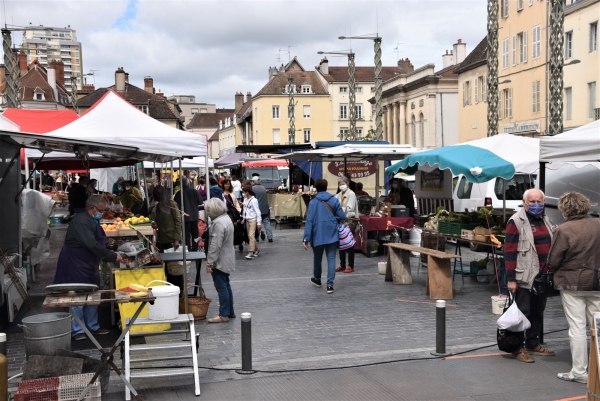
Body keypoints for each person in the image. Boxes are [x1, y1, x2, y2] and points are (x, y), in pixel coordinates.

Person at [53, 195, 123, 341]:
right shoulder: (81, 221)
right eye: (101, 211)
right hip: (75, 262)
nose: (102, 214)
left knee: (92, 293)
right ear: (92, 209)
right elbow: (91, 244)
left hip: (88, 262)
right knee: (77, 295)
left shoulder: (90, 219)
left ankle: (92, 326)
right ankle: (78, 329)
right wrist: (111, 255)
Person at [549, 192, 600, 383]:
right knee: (598, 326)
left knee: (577, 328)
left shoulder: (563, 229)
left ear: (565, 209)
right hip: (597, 281)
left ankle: (579, 372)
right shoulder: (598, 224)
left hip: (572, 282)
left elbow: (553, 260)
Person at [505, 188, 554, 363]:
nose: (536, 205)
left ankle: (533, 343)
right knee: (521, 312)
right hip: (524, 276)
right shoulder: (516, 221)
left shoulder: (545, 220)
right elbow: (509, 252)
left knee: (537, 311)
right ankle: (517, 348)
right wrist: (511, 279)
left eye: (539, 201)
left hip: (542, 277)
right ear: (525, 203)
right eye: (532, 202)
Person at [303, 178, 346, 294]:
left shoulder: (313, 202)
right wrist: (332, 220)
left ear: (316, 188)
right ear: (326, 187)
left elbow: (309, 221)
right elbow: (342, 216)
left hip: (317, 233)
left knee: (317, 258)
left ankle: (317, 279)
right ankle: (330, 285)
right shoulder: (334, 200)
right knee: (331, 258)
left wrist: (306, 238)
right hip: (331, 232)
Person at [204, 198, 236, 323]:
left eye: (208, 210)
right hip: (227, 258)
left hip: (220, 260)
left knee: (221, 287)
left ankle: (224, 314)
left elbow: (215, 245)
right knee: (226, 285)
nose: (207, 212)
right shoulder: (227, 219)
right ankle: (230, 311)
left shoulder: (218, 223)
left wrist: (210, 262)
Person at [335, 176, 358, 273]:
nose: (342, 186)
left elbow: (350, 208)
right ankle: (342, 264)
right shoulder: (338, 195)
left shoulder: (351, 194)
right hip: (341, 222)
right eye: (340, 184)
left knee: (349, 244)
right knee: (341, 243)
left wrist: (340, 210)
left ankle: (350, 265)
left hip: (349, 221)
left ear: (347, 184)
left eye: (343, 184)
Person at [174, 176, 203, 252]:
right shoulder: (194, 191)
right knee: (195, 234)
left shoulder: (179, 193)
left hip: (184, 217)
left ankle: (188, 249)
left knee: (186, 235)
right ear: (188, 183)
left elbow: (175, 205)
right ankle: (195, 248)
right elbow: (200, 202)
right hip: (194, 216)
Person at [241, 186, 262, 259]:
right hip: (247, 220)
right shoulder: (245, 199)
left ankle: (251, 252)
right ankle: (257, 249)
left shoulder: (254, 201)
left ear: (247, 192)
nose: (243, 193)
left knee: (250, 235)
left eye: (244, 192)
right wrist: (244, 217)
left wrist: (259, 223)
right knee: (251, 236)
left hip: (253, 220)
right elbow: (245, 209)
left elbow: (258, 212)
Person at [252, 175, 273, 242]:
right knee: (267, 223)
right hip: (265, 209)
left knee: (257, 223)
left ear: (254, 181)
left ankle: (257, 238)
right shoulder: (263, 188)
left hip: (257, 209)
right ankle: (270, 237)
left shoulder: (252, 189)